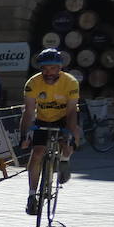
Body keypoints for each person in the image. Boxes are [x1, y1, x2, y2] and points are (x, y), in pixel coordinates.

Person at [19, 48, 80, 215]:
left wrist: (69, 133)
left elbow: (72, 112)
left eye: (53, 68)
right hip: (43, 118)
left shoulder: (71, 82)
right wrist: (25, 135)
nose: (49, 73)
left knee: (69, 141)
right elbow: (29, 111)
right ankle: (32, 196)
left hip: (63, 117)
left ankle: (65, 160)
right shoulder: (33, 83)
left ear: (60, 68)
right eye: (45, 69)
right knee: (37, 153)